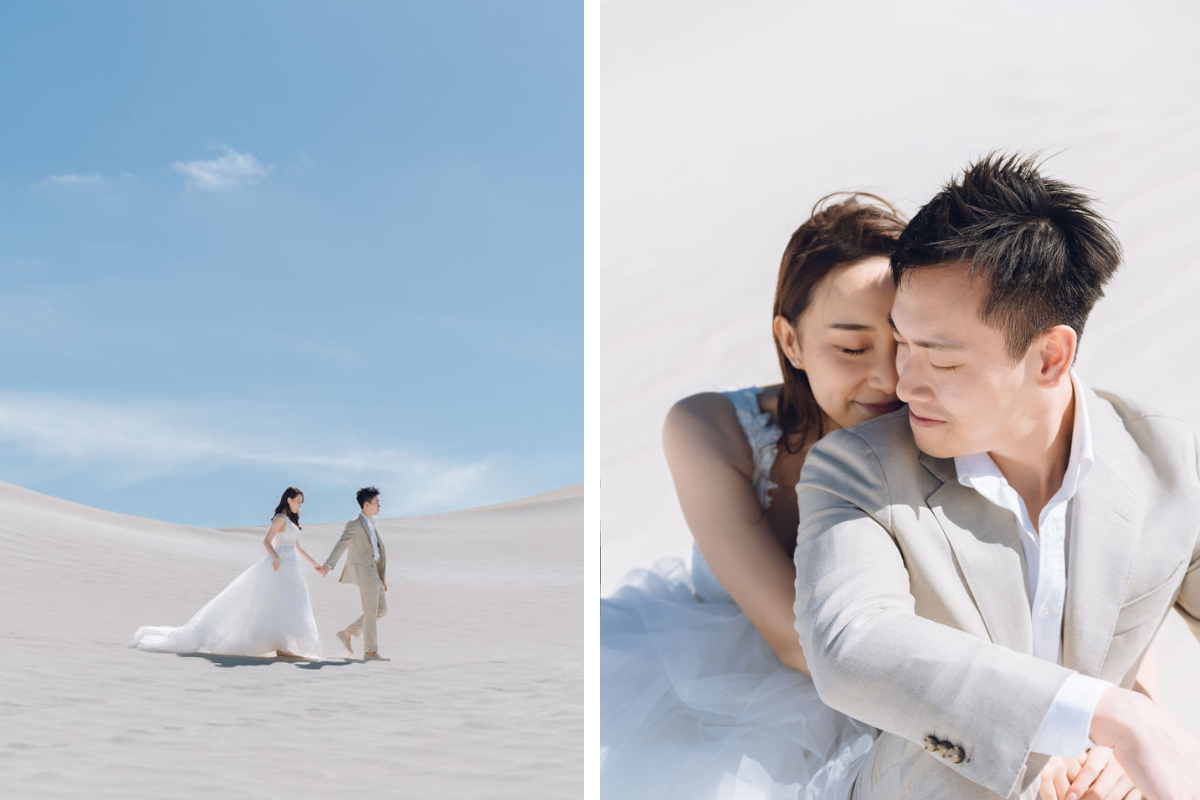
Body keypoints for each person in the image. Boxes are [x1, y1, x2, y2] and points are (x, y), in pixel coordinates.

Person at [792, 153, 1200, 799]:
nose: (903, 381)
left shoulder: (1172, 464)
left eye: (942, 360)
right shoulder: (858, 469)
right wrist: (1114, 717)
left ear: (1050, 356)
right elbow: (850, 646)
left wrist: (1134, 752)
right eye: (902, 342)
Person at [601, 194, 908, 799]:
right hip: (718, 701)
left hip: (891, 686)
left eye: (906, 343)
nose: (890, 378)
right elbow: (793, 639)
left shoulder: (938, 420)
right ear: (790, 341)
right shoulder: (710, 429)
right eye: (851, 348)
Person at [130, 486, 324, 659]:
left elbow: (297, 546)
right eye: (297, 501)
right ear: (288, 500)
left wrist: (315, 563)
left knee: (292, 603)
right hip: (279, 566)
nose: (299, 505)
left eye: (301, 502)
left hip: (292, 568)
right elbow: (266, 541)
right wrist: (275, 558)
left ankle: (283, 644)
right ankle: (281, 646)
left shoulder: (291, 521)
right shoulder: (280, 519)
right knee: (278, 602)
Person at [322, 486, 389, 661]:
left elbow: (378, 553)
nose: (379, 506)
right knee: (371, 610)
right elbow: (342, 544)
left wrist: (382, 578)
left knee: (381, 610)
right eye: (376, 503)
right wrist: (328, 565)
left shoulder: (372, 525)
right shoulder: (355, 524)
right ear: (366, 505)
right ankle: (370, 652)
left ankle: (347, 633)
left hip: (375, 573)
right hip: (365, 572)